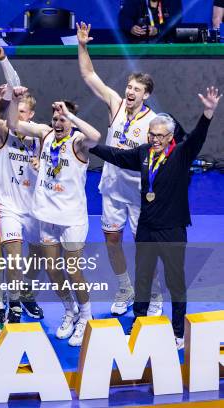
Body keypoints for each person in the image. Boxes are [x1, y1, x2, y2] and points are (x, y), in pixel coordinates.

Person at [90, 86, 221, 350]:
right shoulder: (143, 153)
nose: (155, 139)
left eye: (160, 136)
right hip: (147, 228)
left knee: (175, 281)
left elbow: (198, 137)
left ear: (170, 136)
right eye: (151, 134)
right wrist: (92, 146)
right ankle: (138, 324)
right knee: (143, 278)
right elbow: (118, 156)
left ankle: (177, 332)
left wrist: (208, 113)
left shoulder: (182, 154)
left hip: (172, 229)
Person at [77, 21, 164, 317]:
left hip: (140, 194)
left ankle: (152, 294)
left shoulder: (154, 123)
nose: (129, 92)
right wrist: (82, 45)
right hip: (112, 189)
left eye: (136, 89)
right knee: (112, 241)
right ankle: (125, 287)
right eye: (128, 86)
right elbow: (89, 75)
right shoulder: (115, 105)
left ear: (146, 95)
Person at [8, 89, 102, 346]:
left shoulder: (79, 142)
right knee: (52, 269)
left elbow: (97, 136)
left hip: (72, 219)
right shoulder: (45, 133)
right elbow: (13, 123)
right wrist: (15, 100)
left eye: (63, 119)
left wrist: (70, 113)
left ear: (71, 121)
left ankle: (85, 316)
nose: (58, 123)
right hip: (47, 216)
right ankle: (69, 310)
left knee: (73, 270)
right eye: (56, 118)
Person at [0, 85, 44, 332]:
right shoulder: (3, 131)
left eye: (23, 111)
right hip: (8, 207)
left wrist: (44, 165)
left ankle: (25, 293)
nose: (19, 115)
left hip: (34, 208)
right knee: (13, 258)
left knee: (38, 256)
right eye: (16, 109)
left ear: (31, 115)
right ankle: (13, 304)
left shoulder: (40, 137)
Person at [118, 0, 183, 43]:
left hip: (166, 42)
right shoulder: (134, 1)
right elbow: (124, 18)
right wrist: (131, 27)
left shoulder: (173, 1)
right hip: (140, 43)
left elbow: (175, 20)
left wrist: (158, 29)